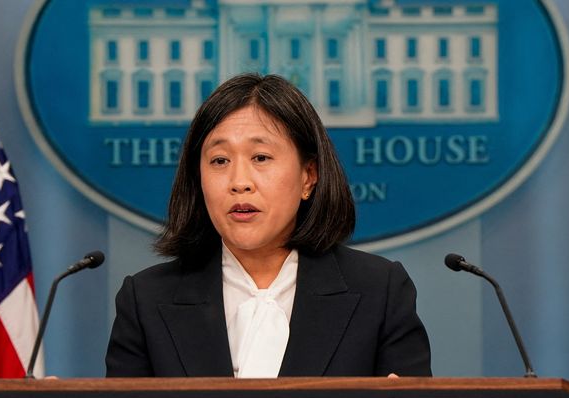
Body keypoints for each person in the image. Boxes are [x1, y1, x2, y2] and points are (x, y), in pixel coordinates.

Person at [106, 73, 431, 378]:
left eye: (260, 157)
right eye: (220, 161)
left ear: (309, 176)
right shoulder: (145, 301)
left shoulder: (379, 291)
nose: (239, 182)